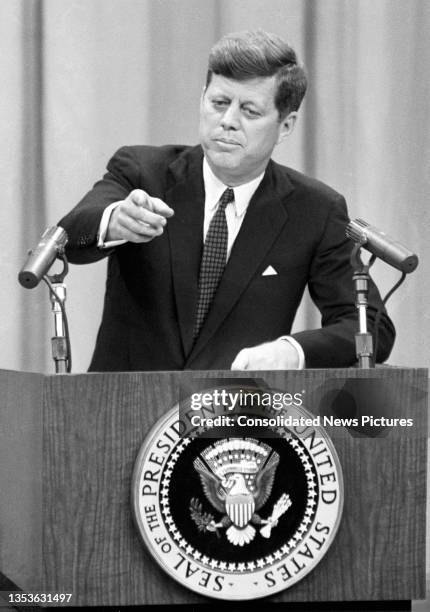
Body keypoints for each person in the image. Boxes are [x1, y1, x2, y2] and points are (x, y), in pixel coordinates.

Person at [59, 30, 395, 372]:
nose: (228, 121)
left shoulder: (314, 211)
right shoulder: (143, 173)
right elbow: (67, 239)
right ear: (202, 98)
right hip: (122, 411)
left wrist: (290, 352)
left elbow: (372, 328)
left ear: (285, 125)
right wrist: (113, 221)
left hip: (236, 415)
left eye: (249, 111)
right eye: (219, 103)